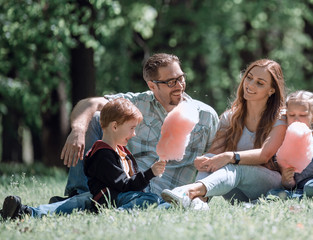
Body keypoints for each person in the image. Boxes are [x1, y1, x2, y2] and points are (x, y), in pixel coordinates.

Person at [55, 53, 219, 203]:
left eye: (181, 78)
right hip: (131, 184)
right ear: (152, 86)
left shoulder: (205, 116)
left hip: (168, 193)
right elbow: (90, 104)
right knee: (96, 118)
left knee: (89, 202)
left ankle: (77, 202)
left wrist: (202, 196)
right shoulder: (137, 104)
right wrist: (77, 130)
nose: (179, 86)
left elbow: (217, 160)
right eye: (171, 82)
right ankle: (78, 193)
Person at [0, 98, 166, 220]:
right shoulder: (103, 154)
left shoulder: (119, 151)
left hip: (100, 197)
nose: (134, 133)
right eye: (132, 128)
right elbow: (123, 185)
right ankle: (116, 215)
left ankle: (25, 212)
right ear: (114, 126)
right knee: (152, 199)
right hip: (109, 199)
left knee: (69, 205)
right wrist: (150, 173)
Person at [161, 58, 286, 208]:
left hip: (270, 187)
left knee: (234, 167)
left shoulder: (280, 118)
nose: (250, 85)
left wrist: (230, 156)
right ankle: (199, 203)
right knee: (211, 159)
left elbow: (265, 154)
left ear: (271, 90)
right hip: (237, 193)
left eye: (260, 83)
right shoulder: (230, 117)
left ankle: (188, 192)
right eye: (249, 77)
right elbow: (215, 154)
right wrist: (203, 161)